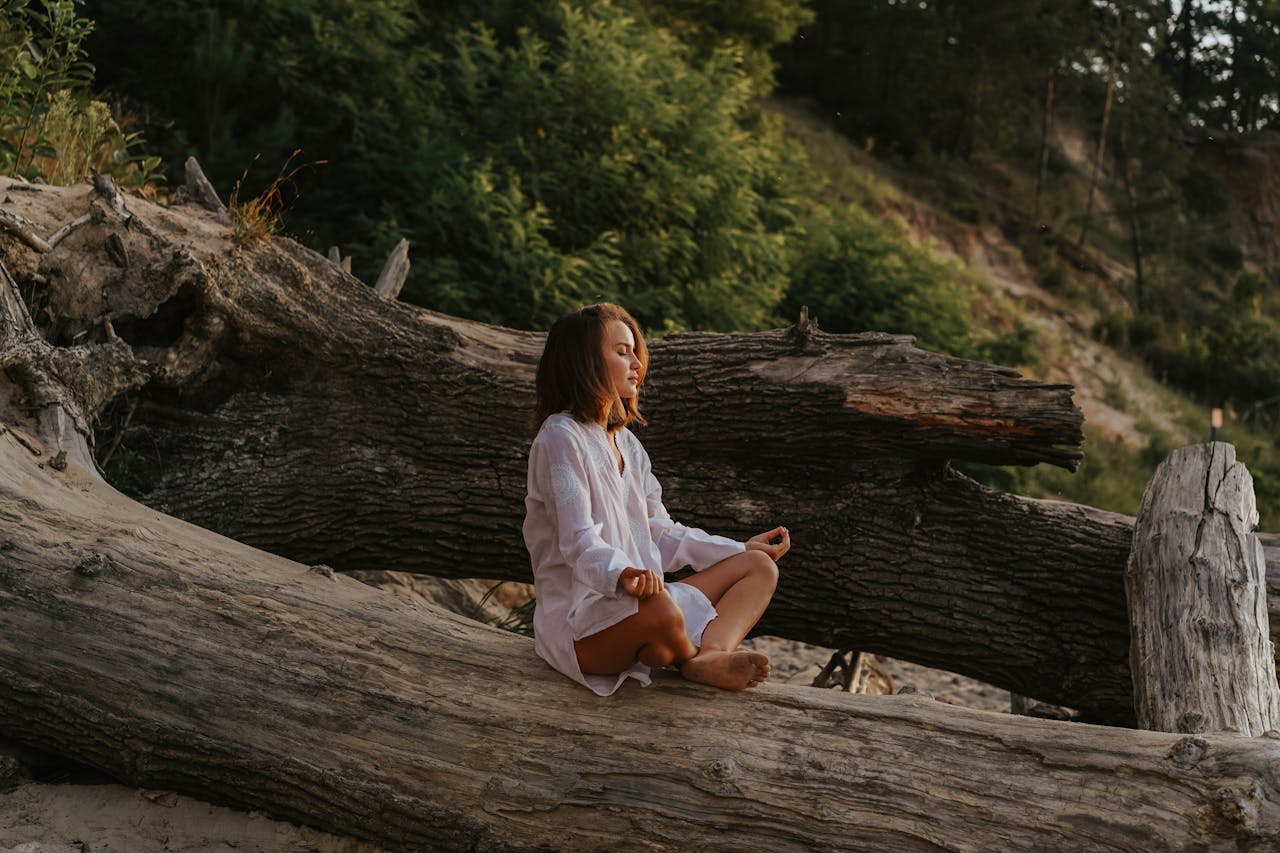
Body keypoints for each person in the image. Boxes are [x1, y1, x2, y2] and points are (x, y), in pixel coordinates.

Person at [523, 303, 790, 696]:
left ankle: (709, 655)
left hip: (646, 607)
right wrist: (622, 574)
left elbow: (661, 534)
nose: (637, 364)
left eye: (635, 352)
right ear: (583, 361)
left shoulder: (629, 446)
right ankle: (687, 655)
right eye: (622, 352)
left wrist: (738, 548)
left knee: (759, 568)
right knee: (661, 607)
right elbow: (577, 540)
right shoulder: (561, 436)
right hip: (583, 626)